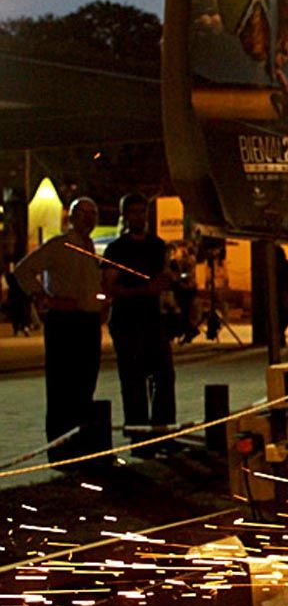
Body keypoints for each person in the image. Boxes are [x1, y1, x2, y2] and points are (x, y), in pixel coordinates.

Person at [12, 197, 103, 464]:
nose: (89, 218)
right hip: (65, 322)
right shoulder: (60, 245)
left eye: (93, 213)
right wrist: (44, 298)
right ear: (72, 217)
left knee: (85, 385)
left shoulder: (89, 247)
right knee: (63, 387)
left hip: (87, 322)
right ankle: (61, 448)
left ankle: (80, 445)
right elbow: (23, 270)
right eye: (83, 213)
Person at [103, 192, 176, 457]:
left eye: (142, 212)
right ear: (125, 215)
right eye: (133, 212)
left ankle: (163, 432)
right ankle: (140, 439)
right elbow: (109, 286)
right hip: (127, 320)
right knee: (133, 381)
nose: (139, 217)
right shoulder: (117, 249)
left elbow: (166, 277)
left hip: (154, 319)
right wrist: (143, 291)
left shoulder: (157, 245)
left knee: (164, 377)